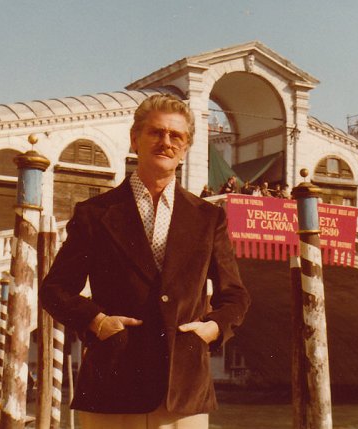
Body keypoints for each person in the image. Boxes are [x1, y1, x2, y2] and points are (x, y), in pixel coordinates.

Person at [40, 94, 250, 429]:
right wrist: (97, 322)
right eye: (157, 132)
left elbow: (235, 296)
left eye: (176, 136)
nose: (166, 142)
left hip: (183, 389)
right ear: (135, 139)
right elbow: (55, 289)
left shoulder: (209, 219)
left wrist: (212, 329)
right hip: (113, 383)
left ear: (186, 148)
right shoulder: (95, 215)